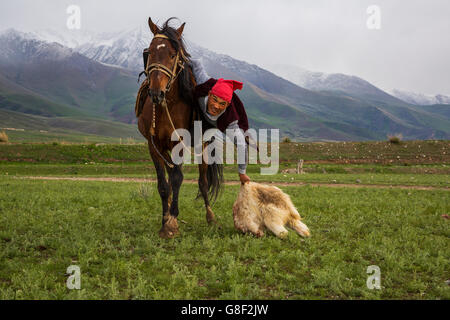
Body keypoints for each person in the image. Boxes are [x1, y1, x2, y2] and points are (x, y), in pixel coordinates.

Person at [191, 58, 251, 185]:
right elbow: (197, 63)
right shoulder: (204, 83)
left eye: (222, 104)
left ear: (228, 105)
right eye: (215, 100)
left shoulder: (230, 121)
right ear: (209, 94)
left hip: (217, 124)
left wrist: (242, 172)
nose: (217, 106)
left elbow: (241, 145)